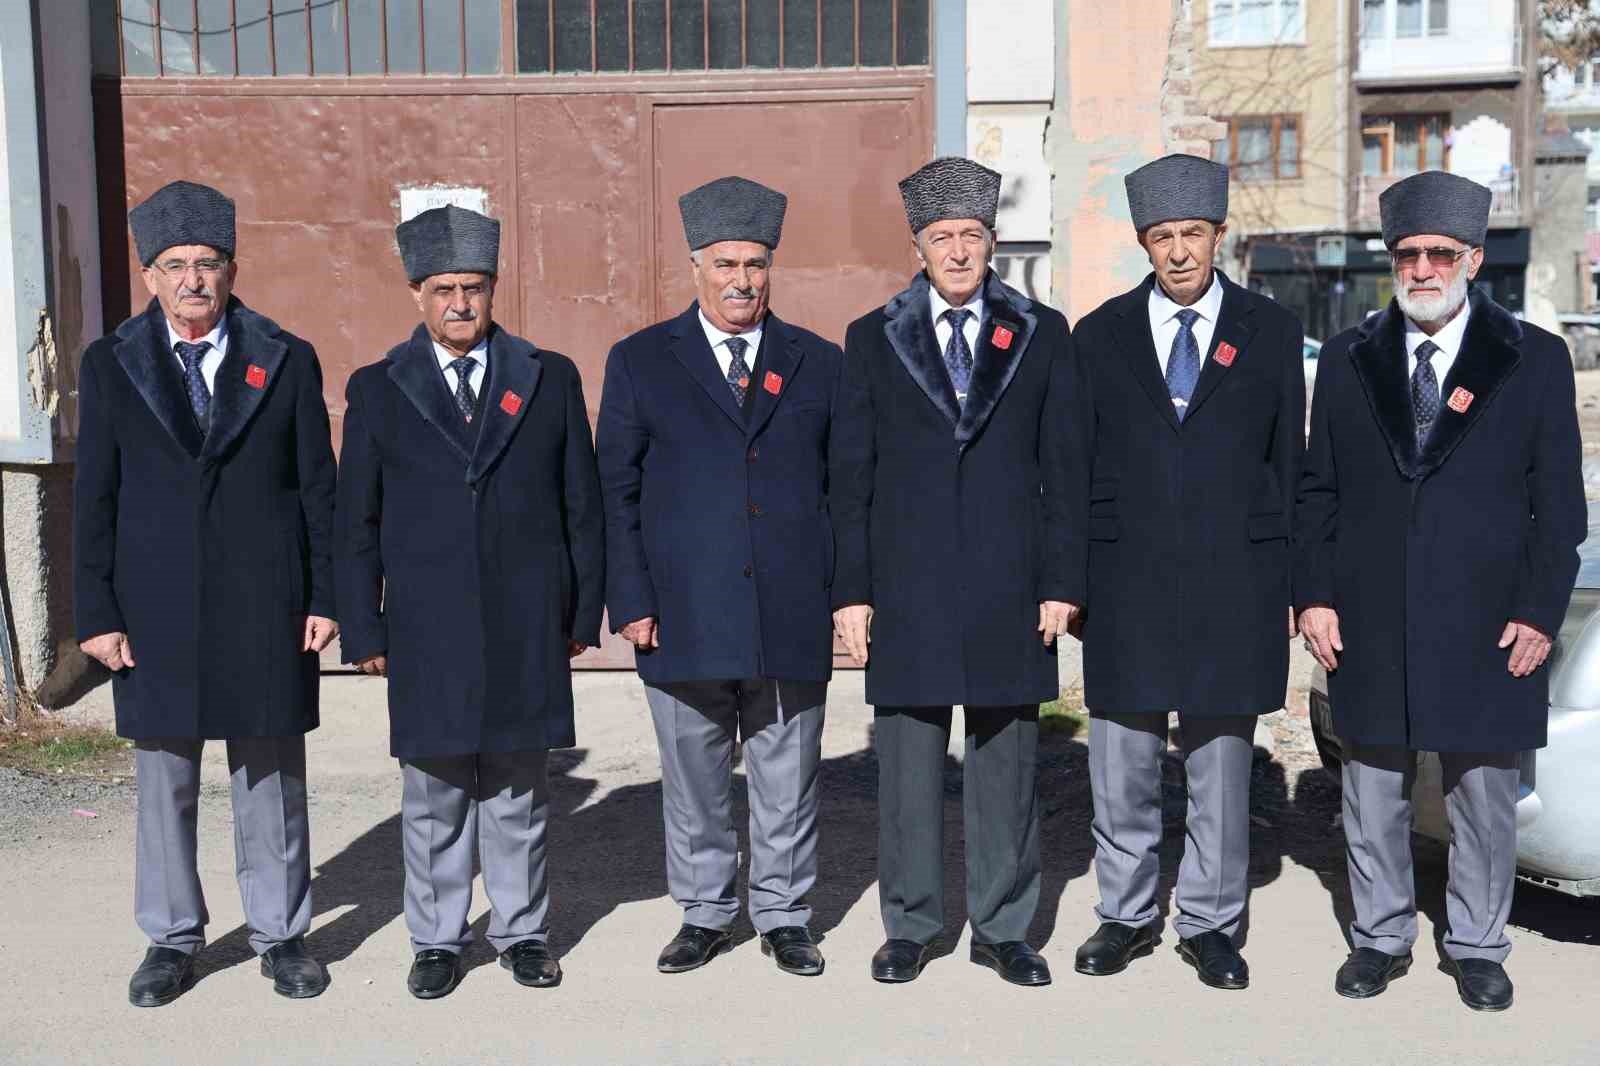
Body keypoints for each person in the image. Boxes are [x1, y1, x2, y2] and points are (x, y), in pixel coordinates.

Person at [1296, 171, 1585, 1012]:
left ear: (1474, 259)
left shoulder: (1534, 358)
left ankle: (1478, 945)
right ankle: (1380, 936)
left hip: (1491, 619)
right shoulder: (1349, 357)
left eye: (1440, 254)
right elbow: (1318, 491)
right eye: (1408, 254)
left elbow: (1559, 506)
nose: (1422, 269)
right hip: (1369, 616)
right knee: (1371, 788)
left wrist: (1538, 611)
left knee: (1484, 796)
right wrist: (1314, 595)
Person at [73, 180, 337, 1006]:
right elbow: (94, 496)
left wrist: (325, 595)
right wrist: (96, 612)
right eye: (176, 264)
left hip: (266, 599)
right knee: (166, 780)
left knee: (271, 776)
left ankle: (282, 934)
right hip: (154, 607)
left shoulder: (285, 357)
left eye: (209, 262)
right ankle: (171, 938)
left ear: (231, 269)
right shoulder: (111, 363)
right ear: (150, 276)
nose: (194, 279)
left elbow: (317, 488)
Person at [335, 204, 604, 998]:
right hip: (427, 623)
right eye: (444, 288)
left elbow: (580, 504)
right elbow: (356, 520)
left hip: (526, 617)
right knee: (436, 794)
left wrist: (579, 613)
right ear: (417, 293)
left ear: (493, 289)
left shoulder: (547, 376)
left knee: (518, 788)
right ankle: (438, 940)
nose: (460, 303)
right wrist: (363, 627)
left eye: (474, 287)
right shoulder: (378, 388)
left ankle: (522, 933)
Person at [829, 157, 1076, 987]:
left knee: (1007, 763)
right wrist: (852, 593)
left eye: (972, 236)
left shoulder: (1041, 332)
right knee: (906, 765)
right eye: (943, 238)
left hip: (1012, 582)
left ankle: (1003, 928)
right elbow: (851, 478)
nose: (959, 252)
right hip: (908, 585)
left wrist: (1060, 582)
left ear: (993, 242)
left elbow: (1064, 467)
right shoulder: (873, 337)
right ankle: (912, 924)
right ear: (918, 246)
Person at [1062, 153, 1305, 990]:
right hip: (1124, 580)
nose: (1177, 252)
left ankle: (1210, 924)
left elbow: (1289, 464)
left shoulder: (1271, 331)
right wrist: (1072, 579)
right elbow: (1074, 466)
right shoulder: (1099, 336)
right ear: (1143, 242)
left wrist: (1292, 585)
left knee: (1221, 772)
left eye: (1192, 234)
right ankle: (1125, 916)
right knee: (1122, 767)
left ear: (1218, 236)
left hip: (1237, 580)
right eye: (1161, 236)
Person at [596, 176, 840, 977]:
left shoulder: (817, 362)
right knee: (695, 778)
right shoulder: (641, 361)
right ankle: (704, 911)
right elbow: (615, 490)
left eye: (756, 264)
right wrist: (630, 600)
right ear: (696, 267)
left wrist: (844, 595)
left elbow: (844, 488)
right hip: (683, 610)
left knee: (787, 776)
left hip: (788, 606)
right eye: (727, 264)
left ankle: (783, 913)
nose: (742, 280)